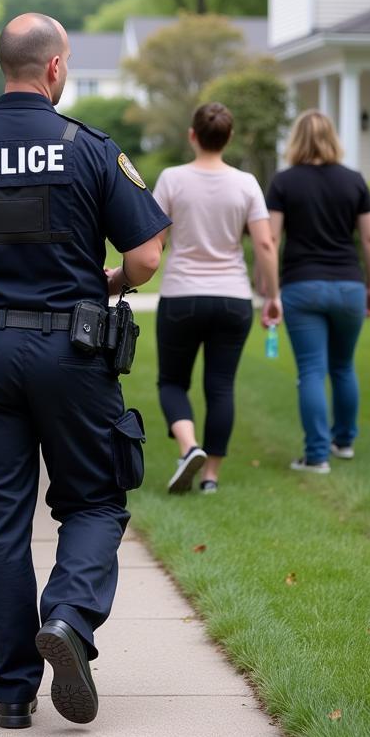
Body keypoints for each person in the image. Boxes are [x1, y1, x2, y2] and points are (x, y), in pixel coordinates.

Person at [0, 13, 170, 730]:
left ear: (4, 66)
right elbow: (145, 257)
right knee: (97, 499)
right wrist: (104, 282)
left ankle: (11, 691)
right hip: (74, 357)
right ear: (53, 69)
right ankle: (71, 620)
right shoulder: (89, 149)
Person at [152, 102, 281, 496]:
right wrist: (272, 296)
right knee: (220, 386)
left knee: (172, 381)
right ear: (229, 138)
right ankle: (210, 477)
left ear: (193, 135)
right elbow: (264, 242)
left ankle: (188, 446)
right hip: (232, 298)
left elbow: (155, 240)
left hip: (181, 295)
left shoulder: (172, 179)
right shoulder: (246, 184)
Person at [265, 109, 370, 473]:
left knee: (312, 371)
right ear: (332, 137)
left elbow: (270, 239)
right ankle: (343, 441)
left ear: (296, 139)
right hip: (349, 285)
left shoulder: (284, 182)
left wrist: (270, 293)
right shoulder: (354, 181)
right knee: (344, 366)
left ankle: (317, 455)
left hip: (303, 286)